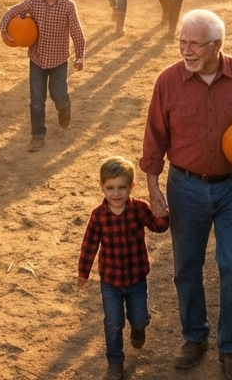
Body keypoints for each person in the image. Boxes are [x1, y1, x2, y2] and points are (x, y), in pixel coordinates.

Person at [140, 9, 232, 378]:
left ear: (217, 46)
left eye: (194, 44)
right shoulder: (168, 81)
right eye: (182, 42)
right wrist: (154, 188)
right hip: (185, 187)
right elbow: (155, 137)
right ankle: (194, 336)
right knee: (186, 267)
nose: (186, 51)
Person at [77, 156, 170, 380]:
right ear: (102, 187)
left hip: (137, 279)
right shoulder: (98, 216)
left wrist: (163, 213)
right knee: (113, 322)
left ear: (132, 187)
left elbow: (158, 227)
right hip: (110, 281)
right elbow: (90, 244)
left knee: (138, 318)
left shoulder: (138, 209)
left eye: (122, 188)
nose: (116, 194)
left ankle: (139, 329)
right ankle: (115, 362)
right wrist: (83, 272)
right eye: (110, 188)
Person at [0, 0, 86, 152]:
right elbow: (12, 11)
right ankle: (38, 135)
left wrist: (79, 56)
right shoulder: (32, 2)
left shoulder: (68, 7)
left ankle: (64, 109)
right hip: (37, 60)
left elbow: (77, 32)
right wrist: (4, 27)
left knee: (59, 95)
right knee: (37, 100)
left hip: (59, 61)